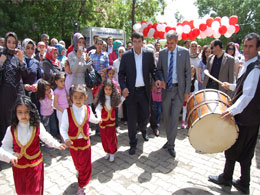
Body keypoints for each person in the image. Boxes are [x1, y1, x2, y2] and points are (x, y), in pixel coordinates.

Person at [208, 33, 260, 195]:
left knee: (232, 147)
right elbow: (242, 87)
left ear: (258, 48)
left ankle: (227, 178)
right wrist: (230, 86)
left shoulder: (255, 68)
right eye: (245, 45)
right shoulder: (249, 65)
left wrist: (232, 110)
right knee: (246, 153)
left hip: (246, 118)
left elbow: (248, 95)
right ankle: (244, 183)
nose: (246, 49)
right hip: (250, 118)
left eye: (251, 46)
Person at [1, 95, 66, 195]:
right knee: (22, 191)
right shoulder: (11, 129)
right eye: (20, 112)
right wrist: (11, 154)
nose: (23, 115)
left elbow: (46, 137)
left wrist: (57, 144)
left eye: (26, 112)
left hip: (35, 166)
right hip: (19, 169)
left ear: (31, 112)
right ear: (15, 113)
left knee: (35, 191)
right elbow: (5, 147)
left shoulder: (37, 126)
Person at [118, 32, 161, 155]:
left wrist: (157, 79)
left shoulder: (148, 54)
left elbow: (153, 69)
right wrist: (124, 87)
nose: (137, 44)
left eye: (139, 41)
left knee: (145, 115)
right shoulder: (126, 56)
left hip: (144, 92)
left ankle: (143, 130)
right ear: (132, 42)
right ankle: (133, 143)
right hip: (131, 93)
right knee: (131, 119)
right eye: (135, 42)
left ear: (142, 42)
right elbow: (121, 74)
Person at [60, 85, 101, 195]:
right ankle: (80, 173)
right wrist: (66, 139)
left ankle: (81, 186)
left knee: (85, 166)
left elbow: (93, 119)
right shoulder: (67, 112)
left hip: (85, 144)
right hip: (73, 145)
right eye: (75, 97)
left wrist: (100, 116)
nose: (78, 100)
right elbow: (63, 128)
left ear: (85, 97)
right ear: (71, 98)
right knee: (78, 165)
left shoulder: (87, 109)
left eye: (81, 97)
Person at [157, 30, 191, 158]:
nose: (169, 46)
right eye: (168, 43)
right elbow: (158, 70)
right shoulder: (162, 53)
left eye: (172, 43)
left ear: (176, 42)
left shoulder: (184, 53)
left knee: (175, 117)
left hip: (179, 91)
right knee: (166, 117)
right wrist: (161, 80)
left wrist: (187, 91)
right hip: (166, 90)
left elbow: (188, 73)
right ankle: (169, 140)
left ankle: (171, 145)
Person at [0, 32, 27, 144]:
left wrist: (21, 60)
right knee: (6, 120)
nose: (11, 45)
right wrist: (1, 62)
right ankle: (7, 146)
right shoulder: (1, 56)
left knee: (20, 117)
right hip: (5, 93)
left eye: (14, 42)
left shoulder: (18, 57)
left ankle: (20, 143)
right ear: (6, 43)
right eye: (9, 42)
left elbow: (25, 75)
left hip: (18, 92)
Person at [94, 79, 124, 162]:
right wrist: (99, 117)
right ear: (103, 89)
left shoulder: (113, 99)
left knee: (111, 138)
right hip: (102, 124)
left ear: (112, 90)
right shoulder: (101, 100)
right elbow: (98, 109)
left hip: (111, 124)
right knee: (104, 139)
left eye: (110, 89)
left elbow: (118, 104)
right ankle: (107, 151)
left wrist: (123, 97)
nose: (108, 91)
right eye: (106, 89)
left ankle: (112, 153)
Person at [68, 32, 94, 105]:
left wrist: (88, 62)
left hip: (86, 83)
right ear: (75, 43)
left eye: (82, 42)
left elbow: (91, 70)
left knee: (87, 107)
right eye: (79, 42)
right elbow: (73, 70)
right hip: (76, 83)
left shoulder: (85, 54)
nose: (81, 44)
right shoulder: (70, 55)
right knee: (77, 105)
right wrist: (78, 58)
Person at [21, 38, 43, 112]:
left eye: (32, 48)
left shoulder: (36, 62)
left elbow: (40, 77)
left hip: (34, 94)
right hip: (22, 93)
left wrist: (36, 84)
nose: (30, 50)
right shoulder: (19, 61)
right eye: (28, 48)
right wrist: (23, 85)